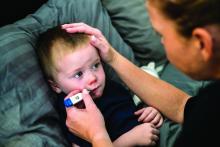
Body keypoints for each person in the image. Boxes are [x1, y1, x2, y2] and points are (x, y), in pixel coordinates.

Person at [61, 0, 220, 146]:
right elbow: (183, 107)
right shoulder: (210, 101)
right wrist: (112, 57)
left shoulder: (201, 134)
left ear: (202, 42)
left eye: (161, 34)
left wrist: (97, 135)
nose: (162, 42)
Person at [36, 25, 163, 147]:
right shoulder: (74, 114)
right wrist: (130, 139)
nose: (93, 78)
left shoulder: (111, 87)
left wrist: (149, 112)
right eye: (78, 74)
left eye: (95, 65)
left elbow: (131, 110)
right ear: (55, 86)